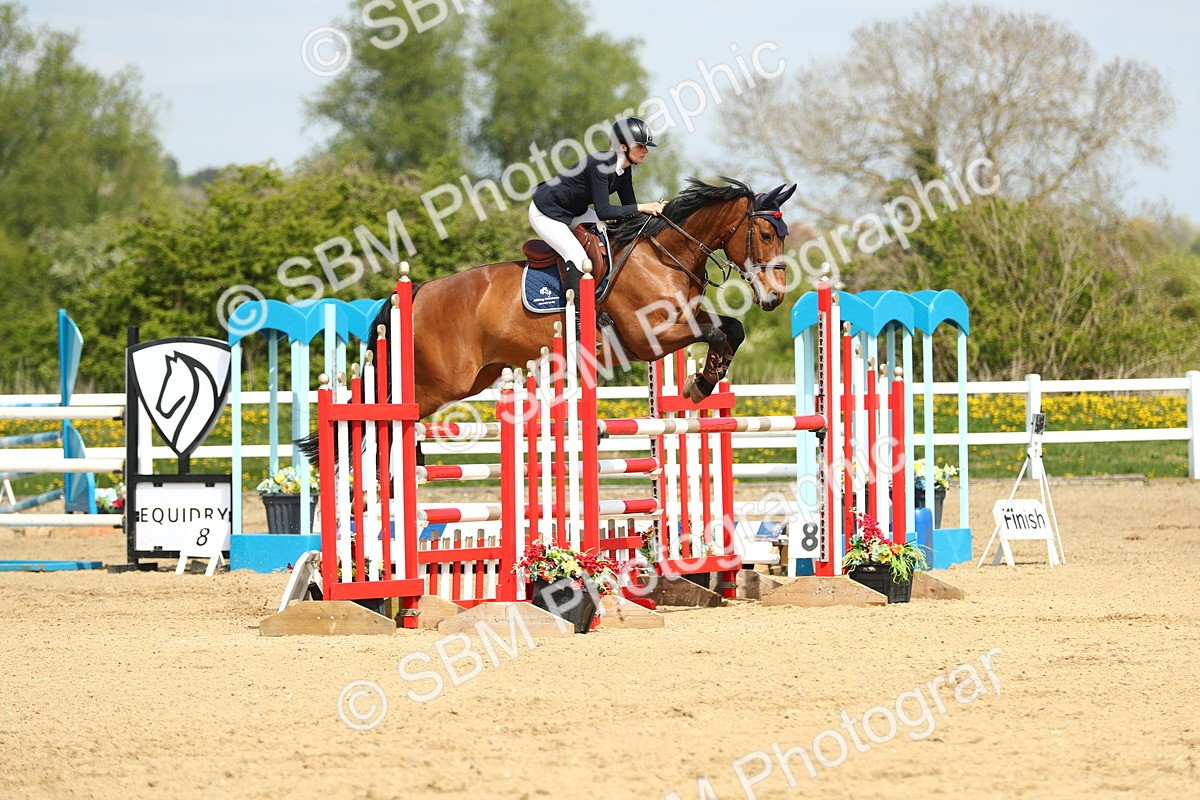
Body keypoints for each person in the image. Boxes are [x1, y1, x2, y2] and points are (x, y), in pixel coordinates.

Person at [529, 117, 665, 299]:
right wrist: (642, 207)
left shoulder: (625, 170)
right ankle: (577, 318)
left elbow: (629, 210)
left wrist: (661, 212)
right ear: (623, 146)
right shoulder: (601, 165)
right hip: (547, 212)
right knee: (579, 259)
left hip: (575, 212)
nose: (646, 151)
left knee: (611, 236)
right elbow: (604, 212)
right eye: (640, 146)